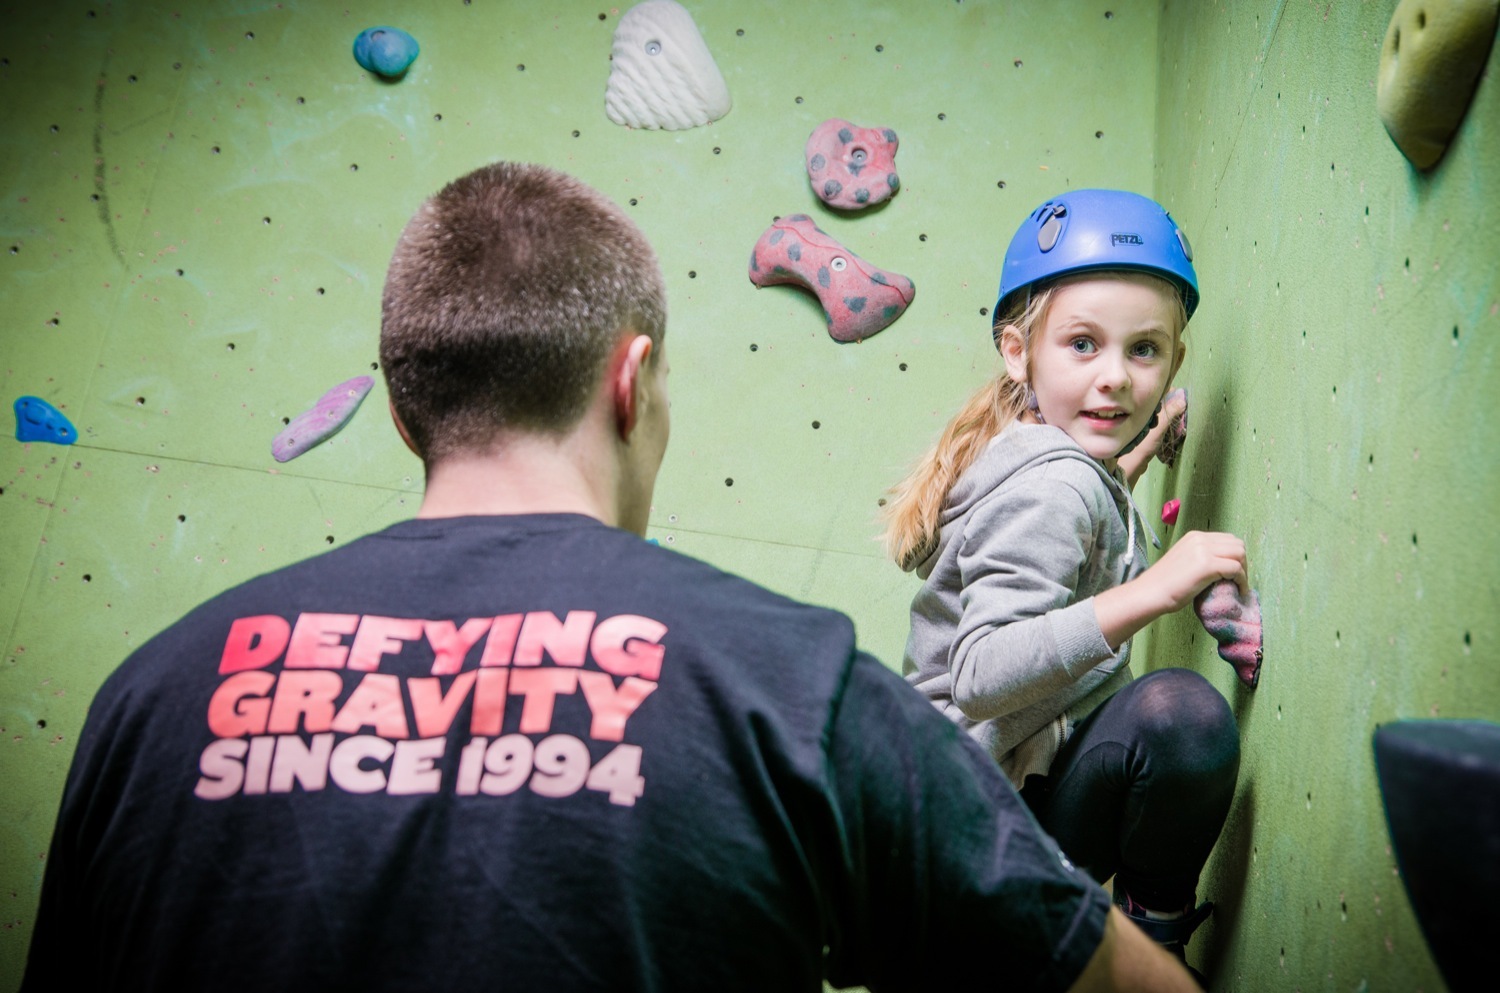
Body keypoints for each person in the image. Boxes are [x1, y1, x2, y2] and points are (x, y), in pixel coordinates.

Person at [23, 164, 1199, 992]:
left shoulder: (148, 701)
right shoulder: (787, 683)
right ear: (633, 383)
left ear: (403, 410)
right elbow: (1096, 973)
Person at [884, 189, 1247, 978]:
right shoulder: (1053, 486)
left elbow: (1088, 510)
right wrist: (1161, 585)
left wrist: (1144, 448)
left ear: (1174, 361)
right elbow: (982, 674)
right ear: (1020, 354)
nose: (1115, 377)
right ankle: (1149, 951)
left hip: (962, 828)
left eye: (1143, 350)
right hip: (961, 851)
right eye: (1084, 344)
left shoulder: (1055, 464)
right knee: (1180, 718)